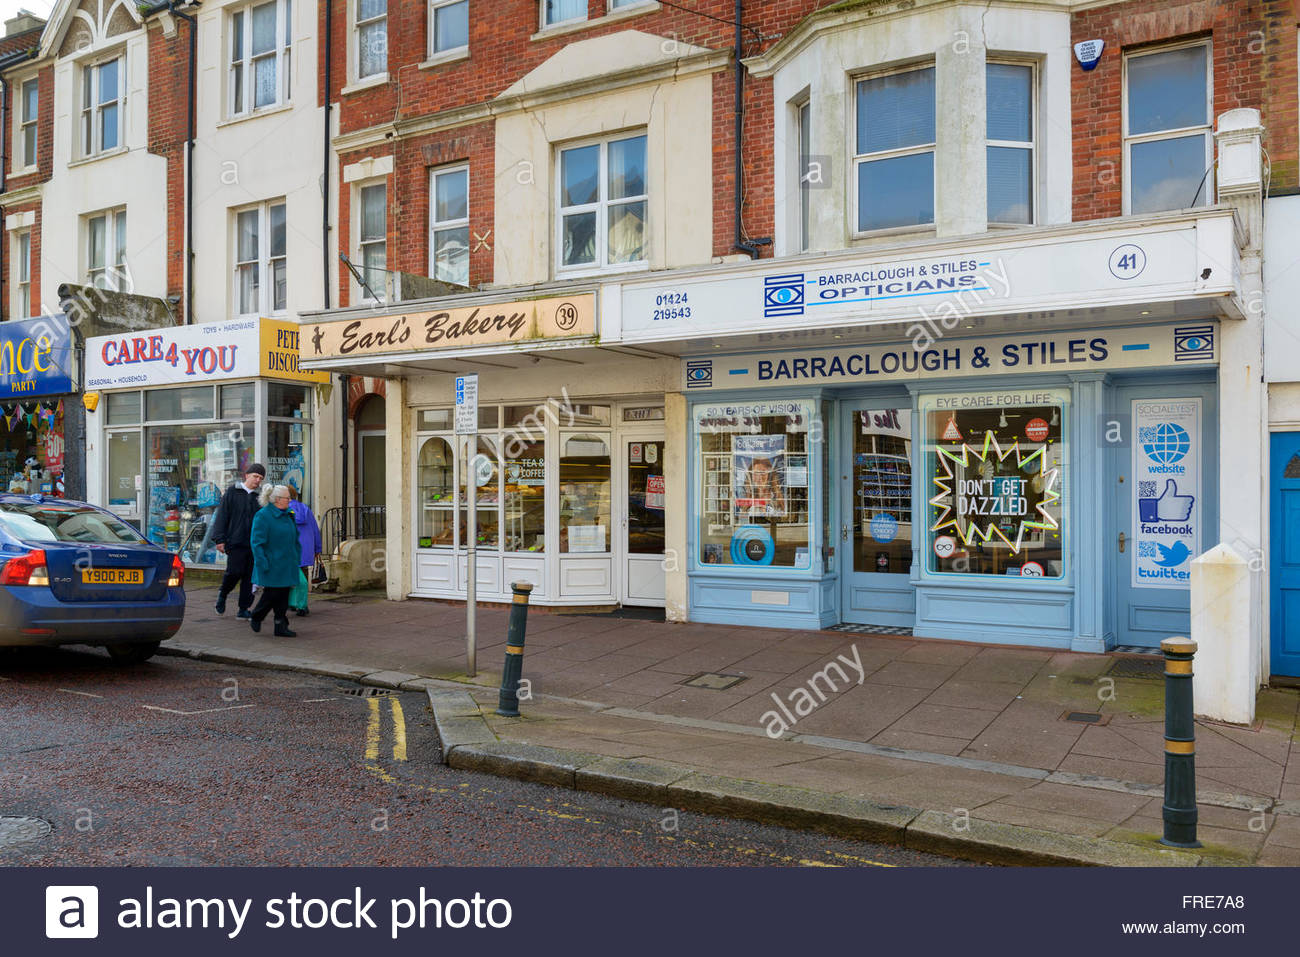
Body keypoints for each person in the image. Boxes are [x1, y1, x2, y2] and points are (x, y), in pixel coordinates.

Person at [211, 463, 266, 618]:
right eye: (255, 476)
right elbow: (222, 516)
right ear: (247, 475)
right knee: (234, 572)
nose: (257, 480)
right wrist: (219, 539)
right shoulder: (232, 492)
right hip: (235, 542)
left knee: (249, 577)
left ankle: (243, 608)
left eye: (260, 478)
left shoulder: (259, 497)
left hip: (253, 543)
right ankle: (223, 593)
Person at [249, 484, 302, 637]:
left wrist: (296, 554)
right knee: (272, 594)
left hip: (287, 562)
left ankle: (280, 625)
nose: (290, 500)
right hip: (271, 563)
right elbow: (257, 543)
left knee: (283, 595)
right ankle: (257, 615)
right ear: (277, 500)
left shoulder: (288, 514)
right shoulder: (263, 516)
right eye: (287, 498)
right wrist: (262, 562)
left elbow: (295, 537)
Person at [286, 484, 322, 617]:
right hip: (306, 548)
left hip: (290, 547)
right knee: (303, 574)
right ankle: (302, 604)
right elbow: (314, 529)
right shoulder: (305, 508)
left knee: (290, 575)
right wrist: (317, 548)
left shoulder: (283, 510)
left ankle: (292, 602)